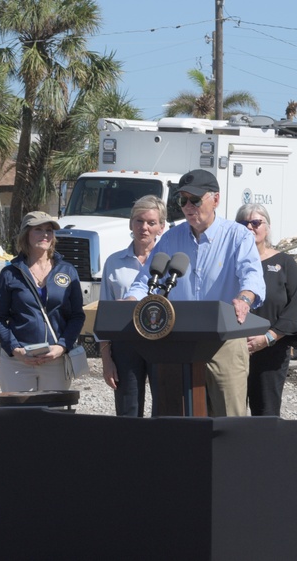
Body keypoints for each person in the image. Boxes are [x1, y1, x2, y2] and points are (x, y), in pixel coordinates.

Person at [126, 169, 265, 417]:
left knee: (230, 420)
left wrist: (245, 298)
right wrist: (130, 301)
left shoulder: (238, 236)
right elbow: (147, 279)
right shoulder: (170, 239)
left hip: (225, 341)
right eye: (183, 200)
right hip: (177, 342)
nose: (188, 207)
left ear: (216, 200)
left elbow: (252, 276)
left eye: (195, 200)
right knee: (178, 422)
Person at [0, 211, 85, 392]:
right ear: (26, 234)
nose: (45, 235)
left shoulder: (67, 270)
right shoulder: (10, 273)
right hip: (18, 361)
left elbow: (77, 316)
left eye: (49, 230)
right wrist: (16, 349)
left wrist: (62, 346)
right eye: (38, 230)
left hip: (55, 360)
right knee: (18, 416)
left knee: (53, 415)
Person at [99, 195, 167, 416]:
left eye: (151, 222)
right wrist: (107, 359)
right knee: (128, 411)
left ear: (161, 227)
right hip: (125, 342)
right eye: (139, 221)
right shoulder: (114, 262)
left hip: (163, 342)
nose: (144, 228)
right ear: (131, 224)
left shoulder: (170, 263)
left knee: (165, 409)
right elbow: (105, 313)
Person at [236, 203, 297, 416]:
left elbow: (295, 308)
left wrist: (267, 338)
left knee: (265, 413)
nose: (250, 227)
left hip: (271, 350)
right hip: (233, 349)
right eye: (243, 223)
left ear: (267, 227)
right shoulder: (230, 262)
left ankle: (264, 450)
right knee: (228, 413)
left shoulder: (284, 263)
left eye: (256, 222)